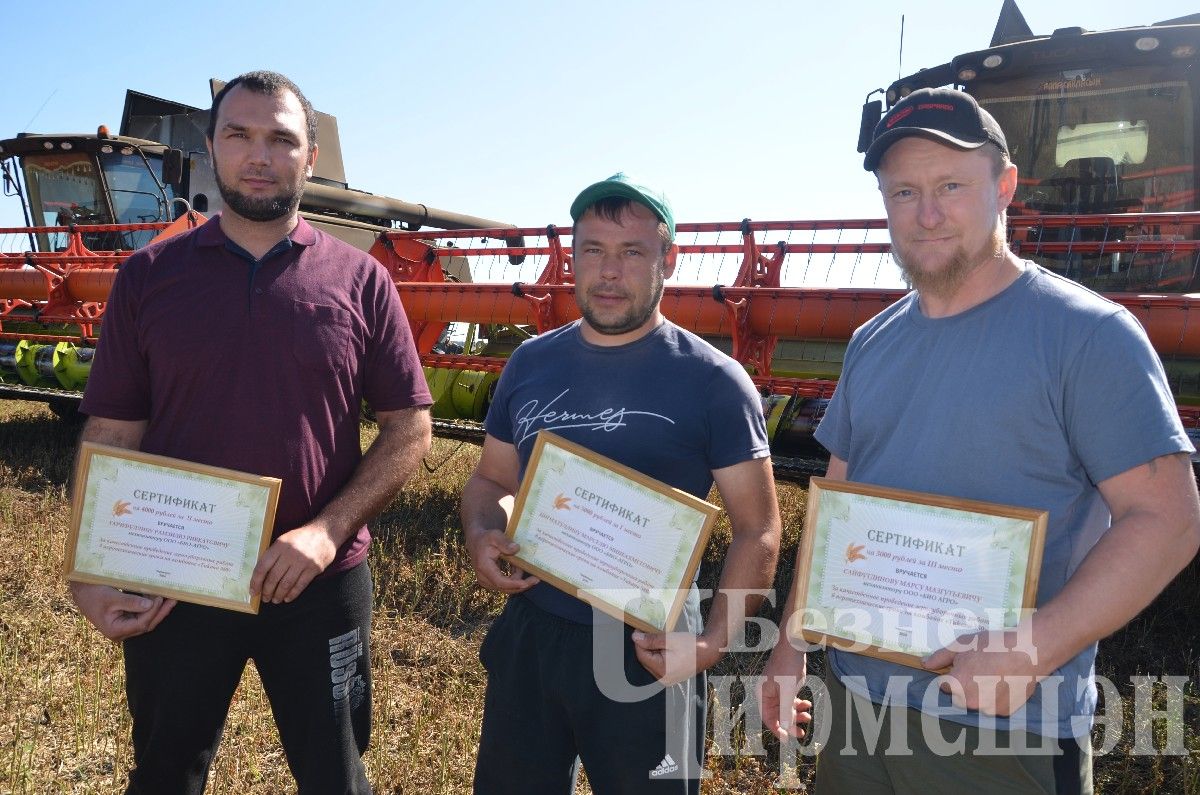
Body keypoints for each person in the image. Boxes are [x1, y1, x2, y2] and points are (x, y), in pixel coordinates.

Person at [759, 87, 1200, 794]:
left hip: (1002, 732)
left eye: (950, 186)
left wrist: (1033, 648)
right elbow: (837, 508)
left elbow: (1169, 519)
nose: (926, 213)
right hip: (857, 712)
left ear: (1005, 188)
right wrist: (790, 645)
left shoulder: (1087, 335)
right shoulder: (872, 343)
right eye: (903, 191)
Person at [69, 70, 433, 794]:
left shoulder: (362, 282)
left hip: (320, 581)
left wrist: (326, 531)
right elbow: (111, 431)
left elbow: (410, 429)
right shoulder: (148, 277)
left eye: (280, 139)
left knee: (336, 774)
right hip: (177, 576)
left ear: (312, 154)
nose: (258, 155)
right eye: (238, 135)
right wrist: (86, 566)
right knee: (166, 772)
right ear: (211, 146)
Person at [461, 174, 782, 794]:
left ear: (669, 259)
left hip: (649, 645)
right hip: (534, 629)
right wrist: (483, 533)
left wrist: (712, 643)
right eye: (592, 250)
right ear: (572, 257)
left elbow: (758, 528)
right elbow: (491, 480)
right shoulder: (530, 364)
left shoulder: (715, 381)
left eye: (632, 252)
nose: (608, 272)